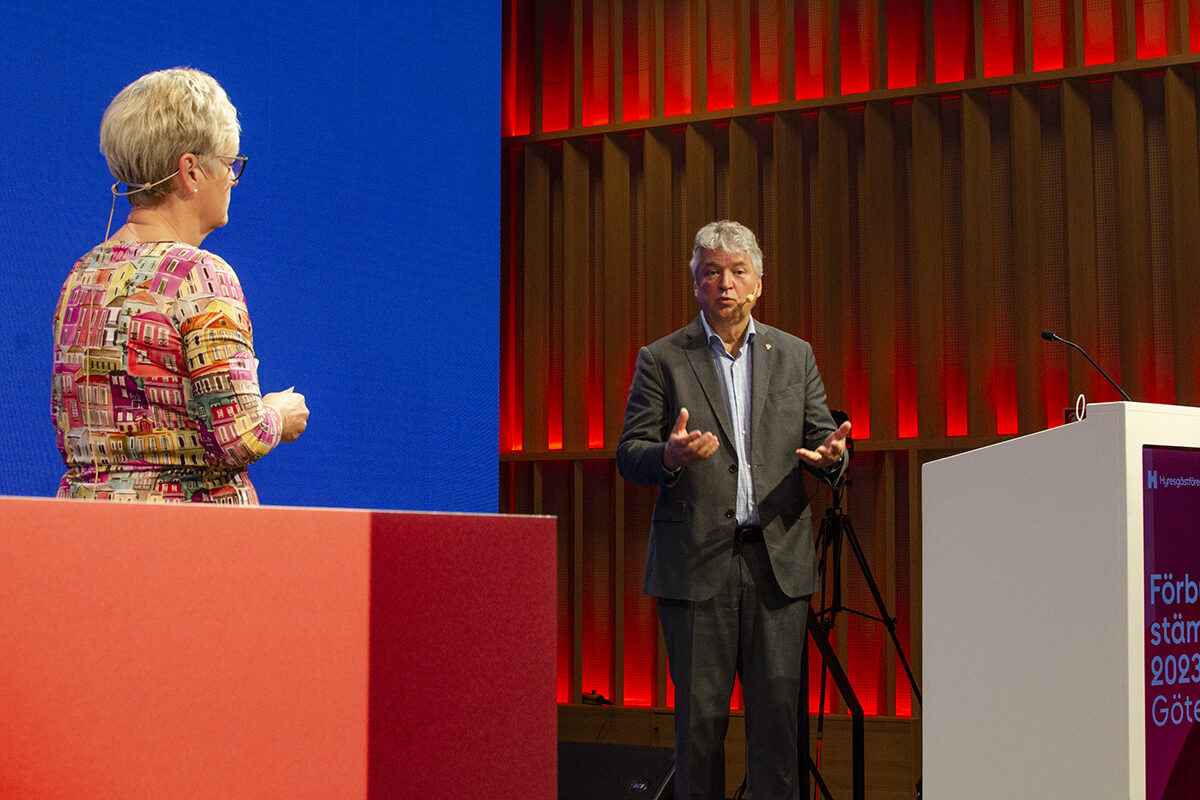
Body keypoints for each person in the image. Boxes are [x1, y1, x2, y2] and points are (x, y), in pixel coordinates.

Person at [616, 220, 851, 800]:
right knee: (700, 731)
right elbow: (629, 454)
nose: (725, 283)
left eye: (737, 271)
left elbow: (825, 438)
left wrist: (830, 457)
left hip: (777, 565)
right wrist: (668, 455)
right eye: (712, 272)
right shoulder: (662, 359)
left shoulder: (795, 355)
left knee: (778, 729)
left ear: (758, 284)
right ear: (695, 284)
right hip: (696, 566)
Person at [50, 68, 308, 503]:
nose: (232, 179)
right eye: (229, 164)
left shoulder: (82, 274)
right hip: (187, 545)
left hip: (84, 536)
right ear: (190, 170)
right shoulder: (201, 276)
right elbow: (238, 436)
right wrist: (279, 414)